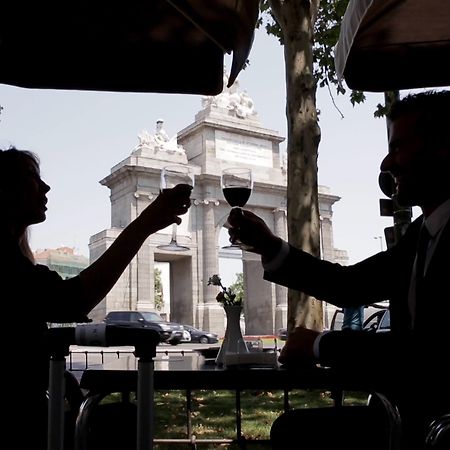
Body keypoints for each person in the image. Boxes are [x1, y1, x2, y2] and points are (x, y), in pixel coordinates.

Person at [226, 90, 450, 450]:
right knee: (292, 429)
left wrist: (320, 344)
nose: (385, 163)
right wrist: (270, 247)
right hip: (411, 416)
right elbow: (350, 286)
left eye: (399, 146)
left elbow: (428, 353)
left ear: (443, 146)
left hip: (430, 425)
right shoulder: (423, 232)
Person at [0, 146, 192, 449]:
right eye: (32, 177)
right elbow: (72, 300)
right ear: (4, 189)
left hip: (29, 413)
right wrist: (143, 224)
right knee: (125, 421)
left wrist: (58, 375)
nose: (46, 186)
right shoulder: (4, 261)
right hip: (19, 422)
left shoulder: (13, 258)